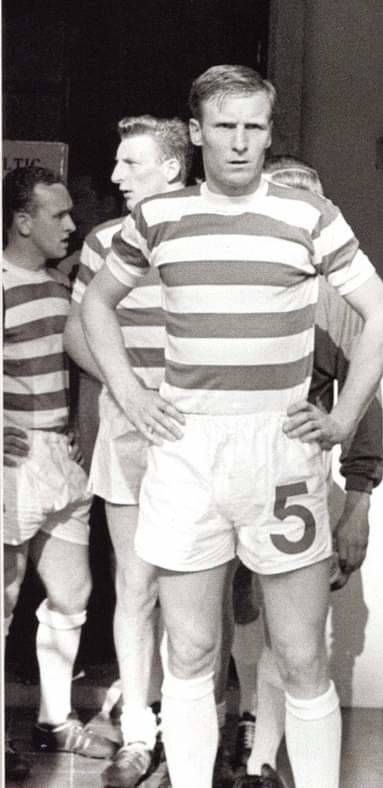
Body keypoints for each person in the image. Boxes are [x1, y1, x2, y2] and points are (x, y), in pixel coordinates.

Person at [80, 65, 383, 788]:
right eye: (224, 126)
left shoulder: (308, 215)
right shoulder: (158, 218)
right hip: (188, 448)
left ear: (268, 129)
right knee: (190, 651)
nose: (240, 142)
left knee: (301, 656)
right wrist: (130, 393)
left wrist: (345, 415)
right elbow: (95, 306)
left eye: (254, 126)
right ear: (196, 134)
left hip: (279, 450)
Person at [229, 155, 383, 788]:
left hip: (296, 483)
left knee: (297, 634)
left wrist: (360, 501)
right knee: (223, 616)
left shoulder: (338, 300)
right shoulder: (222, 283)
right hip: (218, 476)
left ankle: (265, 759)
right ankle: (237, 736)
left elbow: (363, 401)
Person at [63, 114, 193, 788]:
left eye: (130, 164)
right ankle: (139, 732)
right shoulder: (104, 239)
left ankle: (195, 726)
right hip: (127, 430)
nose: (115, 177)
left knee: (195, 593)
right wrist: (130, 391)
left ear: (172, 168)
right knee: (135, 587)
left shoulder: (206, 229)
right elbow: (79, 331)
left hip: (196, 436)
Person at [3, 166, 119, 782]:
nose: (73, 224)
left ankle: (53, 719)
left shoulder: (62, 289)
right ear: (24, 221)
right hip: (13, 465)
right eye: (59, 215)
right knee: (3, 597)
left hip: (63, 460)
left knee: (72, 595)